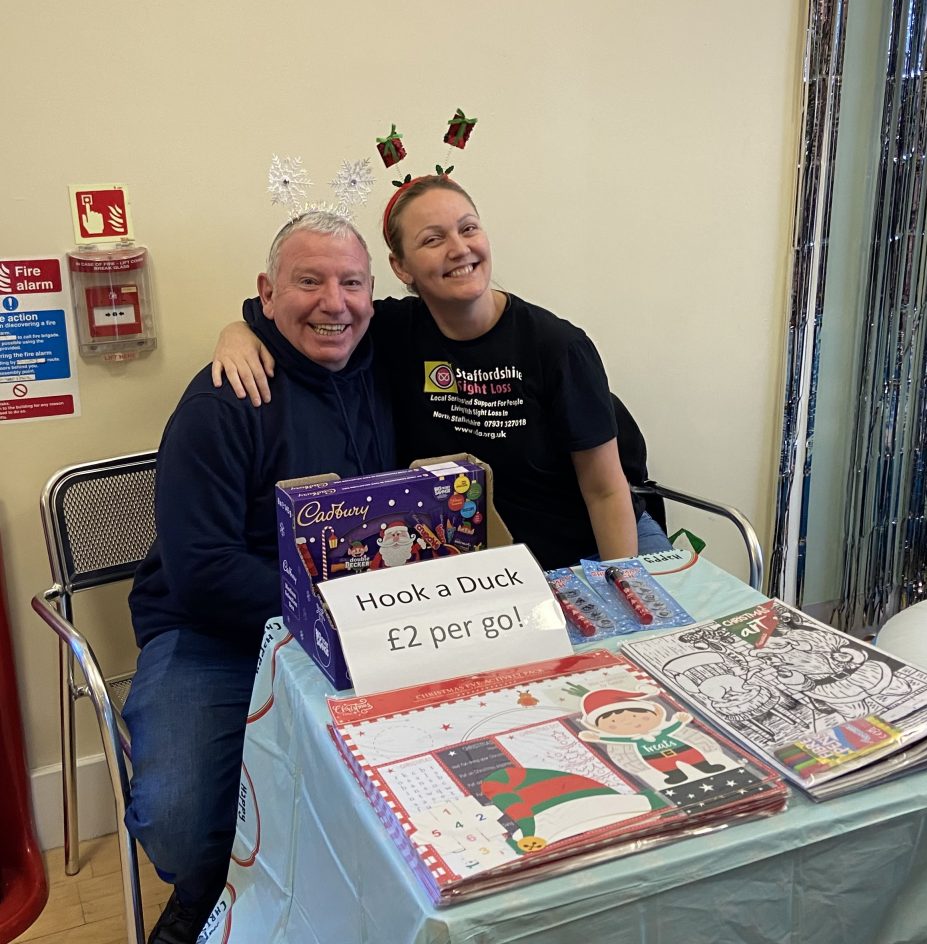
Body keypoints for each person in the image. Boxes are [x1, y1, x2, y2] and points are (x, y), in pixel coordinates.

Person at [126, 211, 393, 944]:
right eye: (308, 281)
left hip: (356, 622)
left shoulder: (386, 357)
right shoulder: (223, 399)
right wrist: (333, 619)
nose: (334, 303)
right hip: (215, 632)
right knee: (178, 822)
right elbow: (201, 571)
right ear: (266, 293)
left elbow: (464, 302)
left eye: (351, 282)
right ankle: (203, 901)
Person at [213, 175, 671, 569]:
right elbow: (293, 312)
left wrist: (620, 582)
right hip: (486, 568)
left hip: (593, 551)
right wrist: (237, 332)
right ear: (401, 267)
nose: (459, 249)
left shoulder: (557, 347)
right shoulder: (390, 330)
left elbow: (606, 492)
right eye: (433, 239)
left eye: (468, 228)